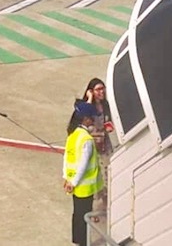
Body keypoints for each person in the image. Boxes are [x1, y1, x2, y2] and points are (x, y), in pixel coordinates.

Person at [63, 102, 103, 246]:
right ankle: (83, 242)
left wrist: (67, 179)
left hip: (74, 184)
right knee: (84, 216)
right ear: (85, 119)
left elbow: (67, 157)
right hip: (84, 187)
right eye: (91, 118)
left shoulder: (72, 135)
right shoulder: (87, 139)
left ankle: (77, 241)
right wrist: (73, 182)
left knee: (77, 215)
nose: (93, 120)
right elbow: (83, 165)